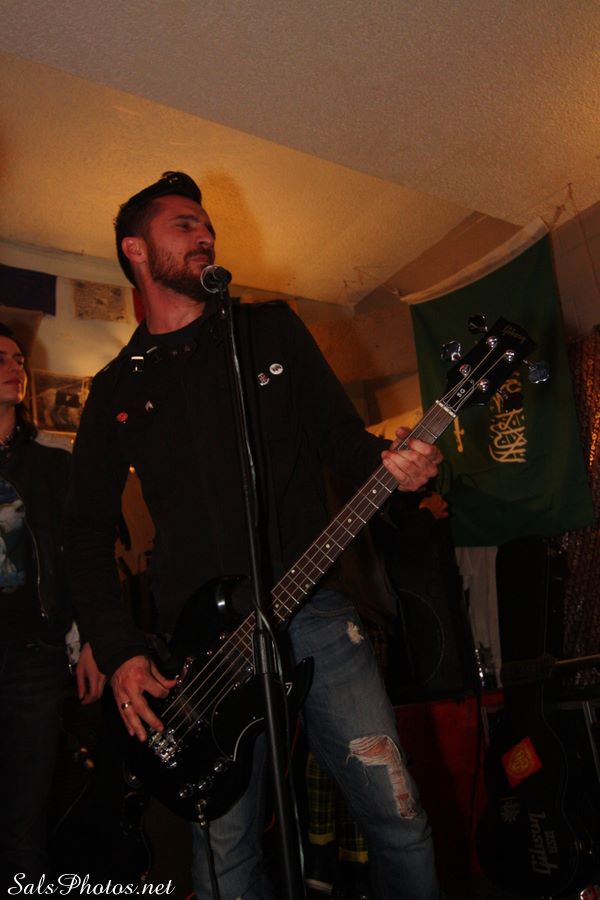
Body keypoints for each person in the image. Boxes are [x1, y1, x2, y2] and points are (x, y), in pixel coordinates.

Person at [64, 171, 444, 900]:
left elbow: (340, 440)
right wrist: (120, 652)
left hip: (315, 611)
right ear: (135, 250)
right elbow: (82, 533)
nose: (205, 233)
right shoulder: (115, 388)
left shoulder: (266, 330)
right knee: (224, 857)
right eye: (183, 224)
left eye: (207, 223)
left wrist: (392, 465)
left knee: (398, 818)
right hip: (202, 649)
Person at [0, 323, 105, 891]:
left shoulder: (54, 460)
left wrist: (90, 639)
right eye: (0, 357)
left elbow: (82, 558)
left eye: (19, 358)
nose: (15, 367)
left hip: (35, 657)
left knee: (25, 820)